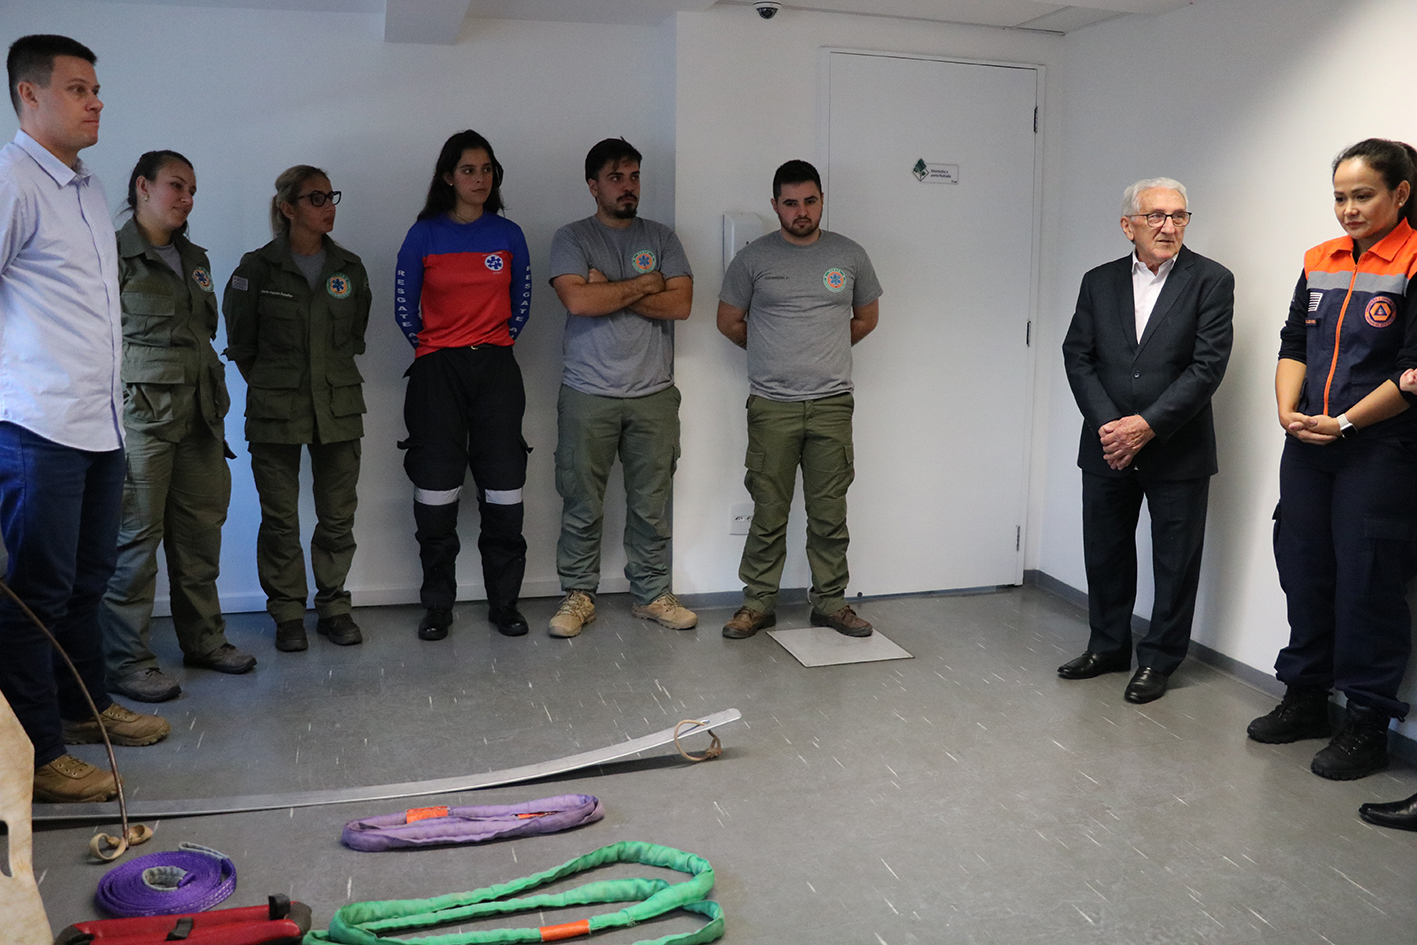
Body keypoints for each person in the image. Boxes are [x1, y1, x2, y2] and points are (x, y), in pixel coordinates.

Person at [0, 35, 169, 804]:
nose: (96, 99)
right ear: (28, 95)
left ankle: (84, 705)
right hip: (36, 428)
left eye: (96, 87)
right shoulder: (11, 181)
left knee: (87, 580)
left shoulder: (88, 186)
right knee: (36, 592)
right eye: (76, 88)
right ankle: (37, 752)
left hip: (98, 424)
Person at [1247, 139, 1417, 781]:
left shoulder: (1413, 261)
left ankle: (1367, 722)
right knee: (1304, 564)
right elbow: (1294, 342)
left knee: (1368, 580)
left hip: (1379, 449)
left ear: (1400, 194)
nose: (1348, 209)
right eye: (1340, 197)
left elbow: (1411, 372)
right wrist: (1289, 412)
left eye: (1363, 195)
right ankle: (1306, 698)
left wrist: (1344, 420)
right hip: (1308, 444)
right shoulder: (1320, 259)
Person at [1060, 177, 1234, 704]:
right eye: (1156, 216)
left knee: (1176, 560)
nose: (1168, 226)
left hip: (1177, 448)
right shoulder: (1099, 281)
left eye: (1179, 216)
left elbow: (1207, 367)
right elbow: (1079, 355)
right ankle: (1108, 646)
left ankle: (1159, 659)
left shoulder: (1211, 280)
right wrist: (1110, 426)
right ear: (1128, 225)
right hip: (1107, 443)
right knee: (1106, 551)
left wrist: (1147, 425)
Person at [98, 150, 254, 704]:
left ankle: (205, 642)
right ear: (142, 187)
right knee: (135, 543)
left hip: (199, 415)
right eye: (175, 186)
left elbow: (201, 333)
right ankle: (127, 662)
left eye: (192, 188)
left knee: (198, 535)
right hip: (140, 418)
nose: (187, 198)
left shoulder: (194, 257)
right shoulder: (111, 253)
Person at [715, 159, 881, 640]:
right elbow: (729, 322)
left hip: (832, 405)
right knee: (769, 510)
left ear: (822, 200)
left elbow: (866, 318)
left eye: (810, 200)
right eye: (790, 203)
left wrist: (822, 349)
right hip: (772, 405)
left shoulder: (850, 255)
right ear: (775, 206)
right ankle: (757, 604)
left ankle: (830, 603)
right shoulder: (753, 259)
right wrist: (771, 351)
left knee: (829, 512)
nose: (801, 211)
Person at [545, 138, 696, 638]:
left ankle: (652, 594)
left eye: (633, 177)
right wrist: (645, 283)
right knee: (581, 501)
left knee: (651, 504)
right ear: (593, 186)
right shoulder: (572, 237)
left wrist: (607, 285)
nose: (627, 186)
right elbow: (579, 303)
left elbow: (680, 306)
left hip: (653, 393)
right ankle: (578, 595)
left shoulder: (663, 236)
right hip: (588, 393)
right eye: (616, 178)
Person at [222, 166, 370, 653]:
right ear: (288, 209)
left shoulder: (349, 269)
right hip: (275, 412)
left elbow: (353, 338)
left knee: (336, 516)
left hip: (338, 406)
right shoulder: (256, 270)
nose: (328, 205)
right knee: (280, 518)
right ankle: (287, 613)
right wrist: (276, 388)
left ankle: (333, 606)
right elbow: (241, 345)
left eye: (331, 196)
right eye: (315, 198)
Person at [395, 130, 532, 641]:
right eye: (469, 170)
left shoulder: (509, 234)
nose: (480, 178)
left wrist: (490, 345)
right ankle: (437, 607)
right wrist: (439, 349)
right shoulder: (423, 234)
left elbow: (521, 305)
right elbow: (404, 309)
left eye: (487, 169)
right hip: (436, 373)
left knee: (503, 491)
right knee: (435, 493)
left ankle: (505, 604)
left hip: (496, 370)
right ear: (449, 176)